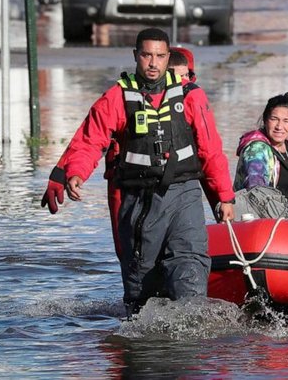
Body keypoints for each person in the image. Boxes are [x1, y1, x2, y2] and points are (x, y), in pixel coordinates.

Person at [41, 27, 235, 316]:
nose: (153, 63)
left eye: (159, 56)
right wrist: (76, 173)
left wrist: (224, 196)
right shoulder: (117, 97)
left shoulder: (191, 96)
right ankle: (144, 343)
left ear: (168, 58)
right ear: (136, 56)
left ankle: (192, 335)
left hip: (185, 195)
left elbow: (210, 149)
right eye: (146, 55)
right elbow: (90, 140)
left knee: (190, 265)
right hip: (139, 201)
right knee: (141, 285)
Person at [43, 46, 202, 261]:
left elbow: (209, 156)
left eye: (187, 76)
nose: (181, 81)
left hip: (178, 189)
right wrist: (63, 171)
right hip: (129, 185)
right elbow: (91, 137)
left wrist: (222, 201)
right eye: (175, 75)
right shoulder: (125, 98)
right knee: (131, 254)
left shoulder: (195, 102)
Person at [234, 92, 288, 192]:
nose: (279, 127)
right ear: (265, 120)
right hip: (264, 205)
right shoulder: (256, 150)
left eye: (286, 121)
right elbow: (256, 192)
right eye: (274, 119)